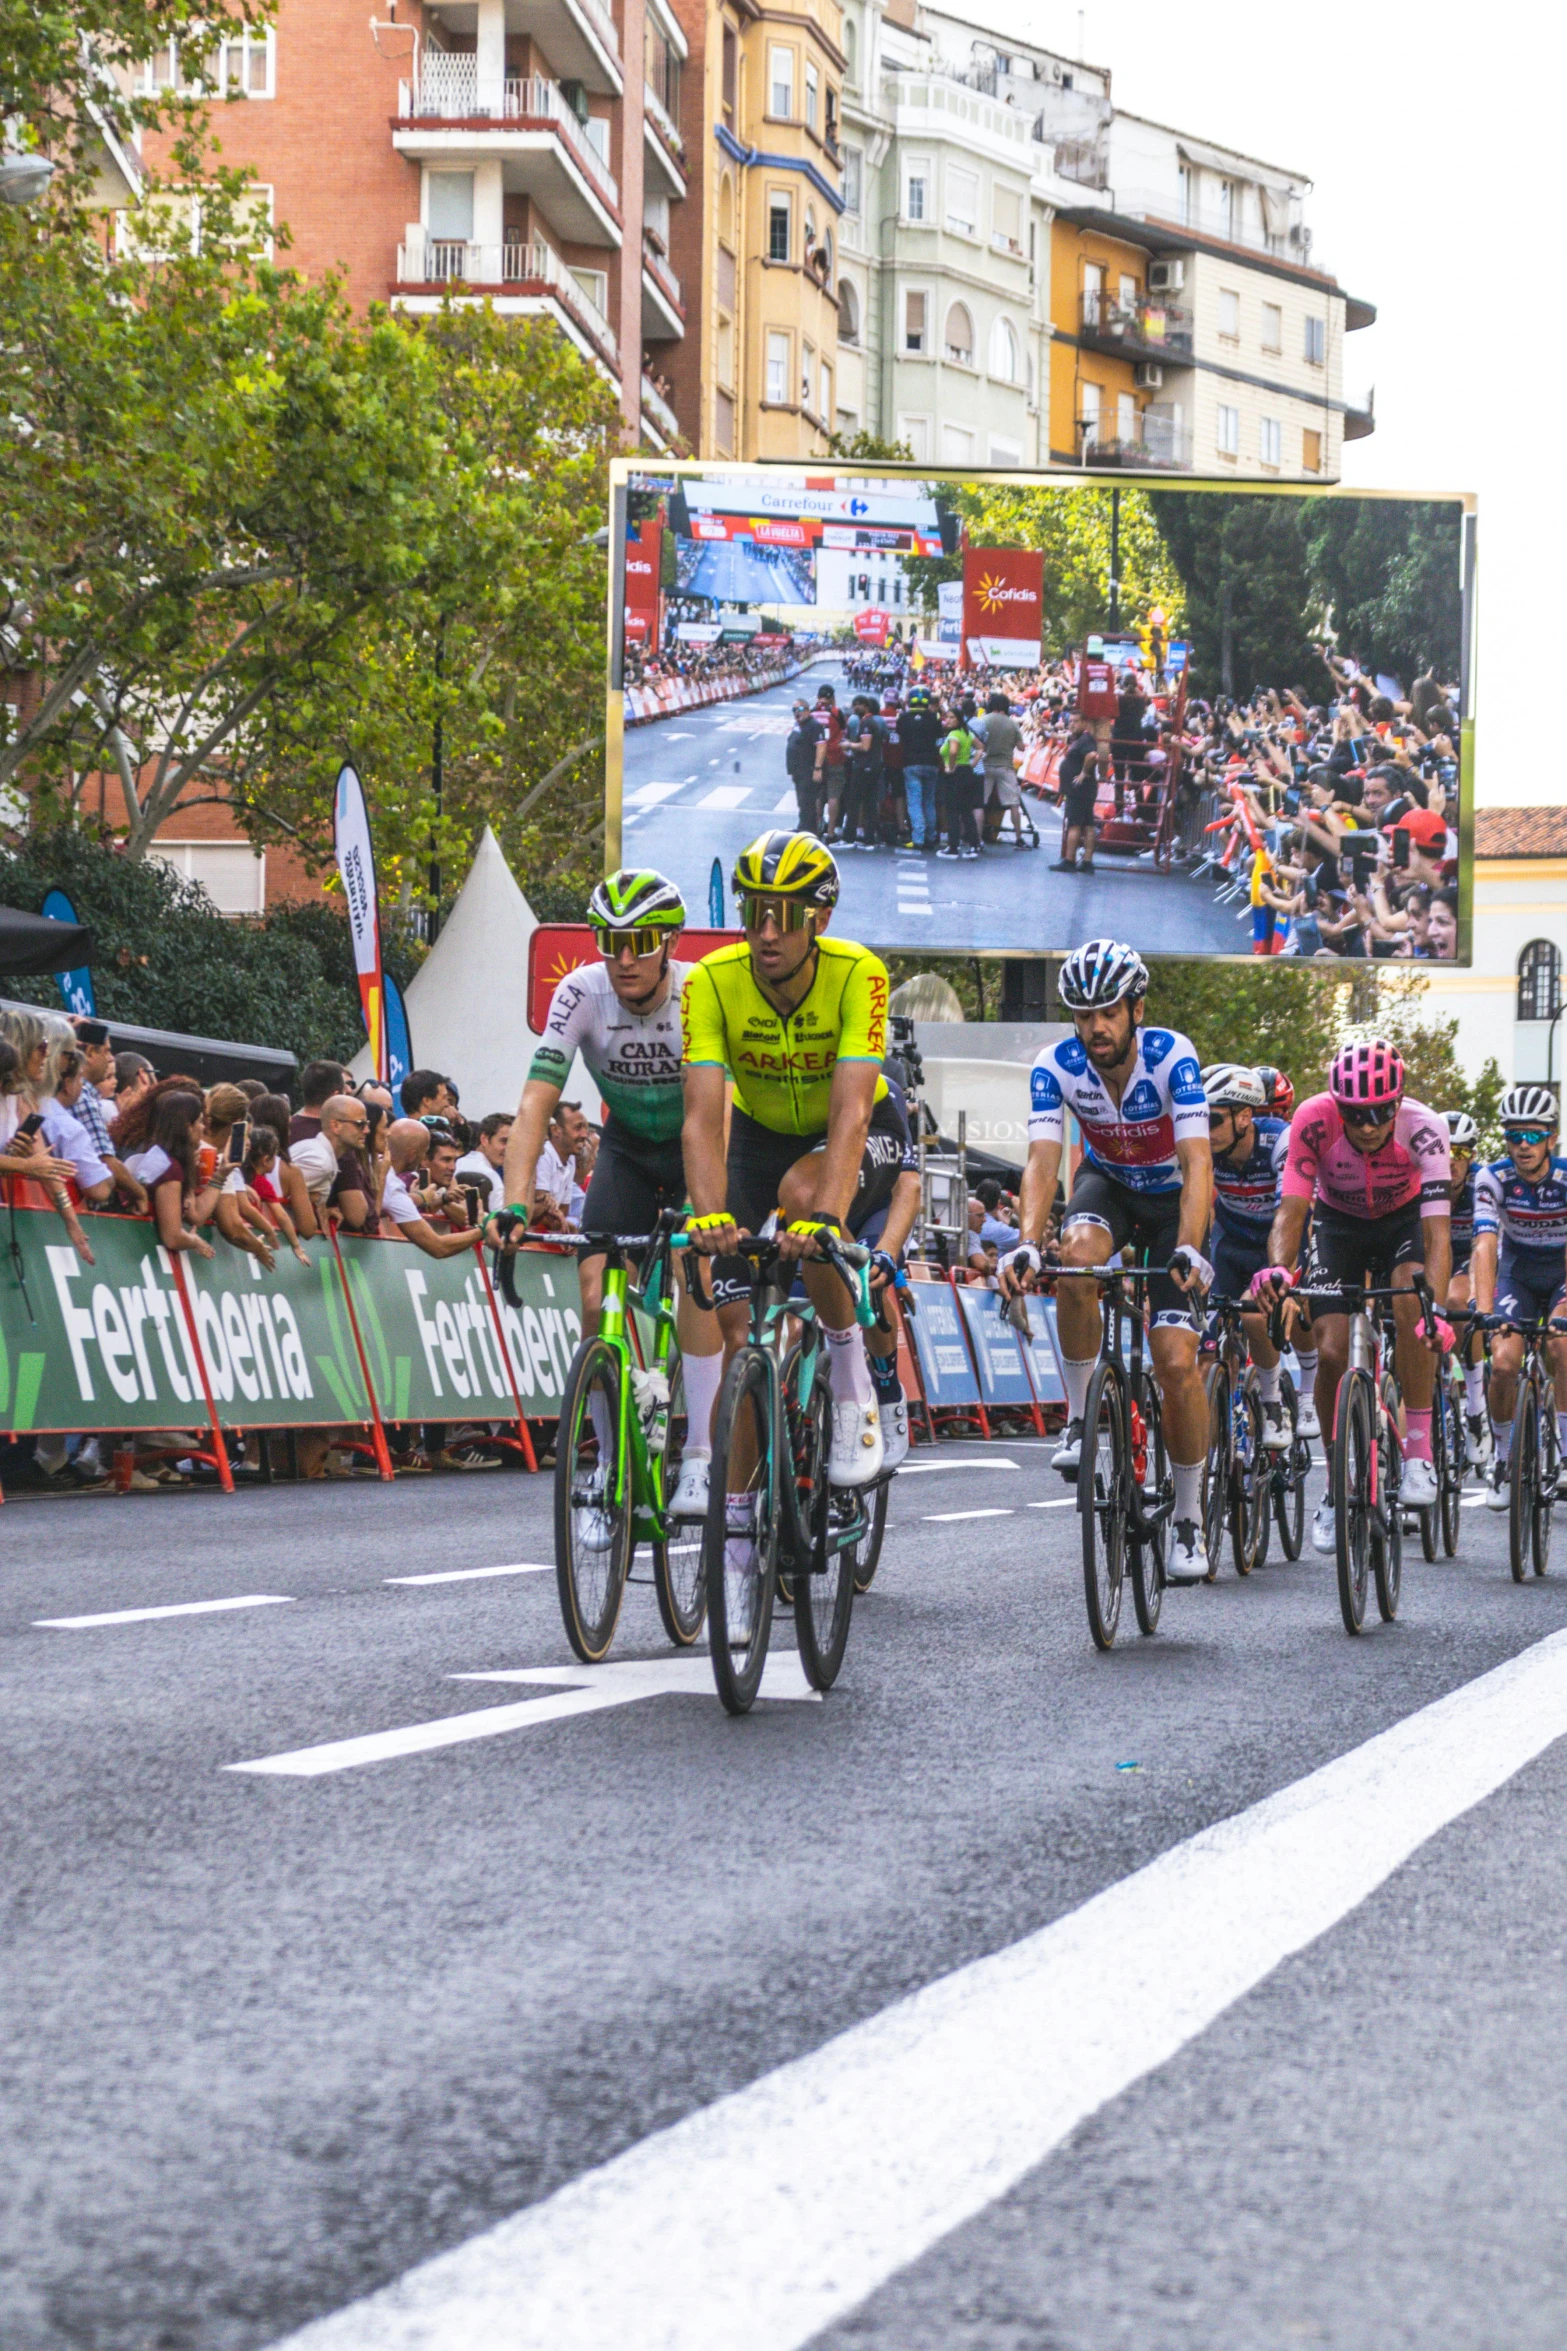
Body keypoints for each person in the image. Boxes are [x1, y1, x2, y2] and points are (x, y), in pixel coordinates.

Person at [682, 831, 908, 1488]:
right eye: (754, 911)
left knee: (808, 1201)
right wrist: (706, 1217)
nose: (767, 931)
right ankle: (741, 1534)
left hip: (856, 1132)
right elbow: (700, 1118)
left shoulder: (858, 973)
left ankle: (849, 1384)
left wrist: (829, 1218)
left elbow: (851, 1113)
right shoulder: (710, 981)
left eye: (785, 914)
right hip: (760, 1136)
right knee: (739, 1340)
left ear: (821, 918)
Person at [502, 869, 723, 1518]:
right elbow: (533, 1106)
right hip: (625, 1149)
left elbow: (717, 1116)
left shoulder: (700, 993)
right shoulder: (580, 991)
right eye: (609, 940)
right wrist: (515, 1201)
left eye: (642, 940)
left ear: (670, 942)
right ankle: (604, 1460)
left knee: (695, 1268)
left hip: (695, 1145)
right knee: (596, 1291)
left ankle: (703, 1457)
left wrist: (712, 1204)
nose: (623, 957)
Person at [1000, 940, 1215, 1583]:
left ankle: (1187, 1516)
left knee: (1176, 1361)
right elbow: (1042, 1160)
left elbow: (1199, 1161)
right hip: (1108, 1187)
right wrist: (1029, 1241)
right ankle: (1079, 1421)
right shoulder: (1055, 1066)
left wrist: (1189, 1246)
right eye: (1084, 1014)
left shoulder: (1173, 1056)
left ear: (1135, 1009)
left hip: (1172, 1199)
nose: (1096, 1027)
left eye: (1109, 1012)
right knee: (1076, 1263)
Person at [1257, 1040, 1450, 1550]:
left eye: (1381, 1111)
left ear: (1399, 1101)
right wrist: (1279, 1269)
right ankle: (1335, 1485)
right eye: (1355, 1114)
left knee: (1412, 1299)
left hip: (1402, 1224)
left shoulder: (1426, 1129)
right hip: (1339, 1225)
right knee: (1329, 1350)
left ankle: (1418, 1452)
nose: (1368, 1125)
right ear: (1337, 1105)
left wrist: (1437, 1311)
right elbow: (1292, 1211)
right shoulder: (1311, 1120)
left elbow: (1437, 1236)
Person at [1472, 1085, 1567, 1510]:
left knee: (1561, 1345)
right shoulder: (1493, 1178)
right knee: (1504, 1363)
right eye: (1514, 1136)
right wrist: (1485, 1311)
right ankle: (1503, 1458)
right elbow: (1485, 1244)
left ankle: (1565, 1452)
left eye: (1532, 1136)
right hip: (1518, 1274)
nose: (1522, 1146)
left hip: (1562, 1271)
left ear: (1551, 1137)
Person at [1441, 1108, 1489, 1464]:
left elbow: (1485, 1245)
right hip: (1434, 1256)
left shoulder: (1480, 1185)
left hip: (1470, 1256)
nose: (1451, 1161)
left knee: (1458, 1303)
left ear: (1470, 1156)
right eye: (1444, 1150)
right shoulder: (1421, 1182)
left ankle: (1475, 1405)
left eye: (1459, 1153)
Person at [119, 1090, 217, 1262]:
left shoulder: (157, 1156)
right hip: (139, 1256)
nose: (203, 1128)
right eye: (200, 1121)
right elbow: (172, 1236)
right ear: (187, 1127)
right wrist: (195, 1241)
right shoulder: (170, 1169)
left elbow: (193, 1213)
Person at [380, 1120, 484, 1259]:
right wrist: (486, 1227)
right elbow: (438, 1247)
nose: (452, 1167)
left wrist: (443, 1198)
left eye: (454, 1160)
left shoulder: (382, 1174)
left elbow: (463, 1218)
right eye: (446, 1160)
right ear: (414, 1156)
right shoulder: (398, 1186)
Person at [896, 684, 943, 853]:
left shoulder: (904, 718)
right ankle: (930, 837)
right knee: (929, 801)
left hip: (911, 764)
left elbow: (898, 738)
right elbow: (939, 743)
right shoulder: (935, 719)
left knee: (914, 801)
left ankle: (918, 838)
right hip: (931, 764)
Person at [980, 692, 1029, 848]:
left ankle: (977, 837)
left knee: (980, 803)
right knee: (1014, 803)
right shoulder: (1012, 723)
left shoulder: (983, 721)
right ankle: (1019, 837)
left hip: (985, 765)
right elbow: (1021, 747)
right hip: (1005, 767)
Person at [1056, 733, 1101, 874]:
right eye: (1071, 721)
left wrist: (1083, 773)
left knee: (1074, 824)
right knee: (1088, 824)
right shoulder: (1082, 738)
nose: (1072, 724)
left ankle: (1070, 860)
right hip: (1085, 788)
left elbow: (1092, 755)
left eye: (1076, 721)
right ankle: (1087, 861)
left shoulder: (1085, 739)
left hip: (1079, 789)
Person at [455, 1114, 513, 1215]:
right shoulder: (490, 1175)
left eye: (513, 1143)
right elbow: (505, 1220)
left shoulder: (458, 1163)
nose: (509, 1148)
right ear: (484, 1139)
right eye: (504, 1141)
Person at [785, 698, 825, 834]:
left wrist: (817, 768)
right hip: (798, 771)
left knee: (807, 803)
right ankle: (805, 828)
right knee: (802, 802)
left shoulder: (813, 725)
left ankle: (807, 830)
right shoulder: (798, 725)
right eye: (794, 710)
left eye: (800, 709)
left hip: (807, 771)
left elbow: (821, 746)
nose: (797, 712)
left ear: (808, 710)